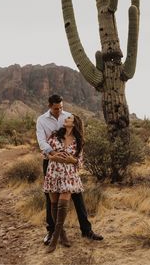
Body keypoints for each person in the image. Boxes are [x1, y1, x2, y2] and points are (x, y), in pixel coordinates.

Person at [36, 94, 103, 245]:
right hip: (51, 161)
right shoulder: (42, 120)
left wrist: (73, 161)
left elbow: (77, 140)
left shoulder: (69, 116)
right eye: (56, 108)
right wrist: (53, 154)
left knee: (78, 197)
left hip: (70, 167)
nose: (59, 111)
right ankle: (52, 232)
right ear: (49, 106)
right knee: (50, 198)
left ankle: (87, 230)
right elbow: (41, 140)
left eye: (61, 107)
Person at [44, 114, 84, 252]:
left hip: (69, 175)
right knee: (54, 204)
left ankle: (54, 239)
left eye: (69, 119)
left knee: (62, 204)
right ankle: (62, 233)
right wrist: (52, 156)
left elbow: (80, 161)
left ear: (73, 124)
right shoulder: (55, 135)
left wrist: (73, 161)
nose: (65, 119)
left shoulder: (78, 141)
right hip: (54, 171)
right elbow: (45, 153)